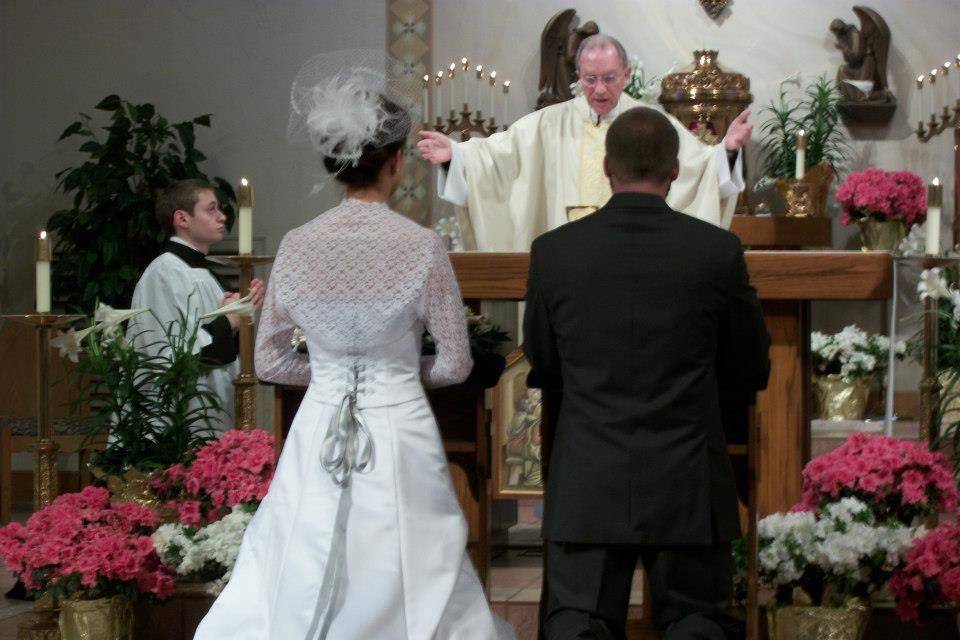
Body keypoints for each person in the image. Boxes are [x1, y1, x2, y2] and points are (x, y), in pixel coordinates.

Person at [194, 55, 509, 639]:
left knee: (301, 545)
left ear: (336, 164)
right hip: (402, 421)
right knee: (409, 553)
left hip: (319, 421)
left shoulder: (297, 245)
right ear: (395, 163)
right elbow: (457, 363)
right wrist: (396, 374)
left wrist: (338, 379)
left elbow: (269, 362)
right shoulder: (420, 247)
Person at [523, 106, 770, 640]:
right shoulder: (717, 251)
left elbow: (543, 361)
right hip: (686, 473)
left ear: (607, 169)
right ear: (676, 169)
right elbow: (750, 364)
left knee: (577, 625)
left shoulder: (555, 253)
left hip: (589, 473)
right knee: (697, 624)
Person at [417, 33, 752, 251]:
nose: (600, 89)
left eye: (609, 78)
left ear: (626, 74)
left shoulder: (651, 123)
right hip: (569, 255)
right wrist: (456, 157)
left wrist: (728, 151)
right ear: (578, 75)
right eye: (590, 80)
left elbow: (700, 169)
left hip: (635, 250)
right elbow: (496, 160)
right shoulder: (547, 123)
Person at [128, 179, 265, 431]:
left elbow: (212, 338)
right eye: (211, 209)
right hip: (176, 419)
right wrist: (230, 319)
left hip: (209, 407)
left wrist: (234, 312)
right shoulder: (165, 272)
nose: (222, 217)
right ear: (182, 219)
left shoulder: (201, 272)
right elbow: (173, 354)